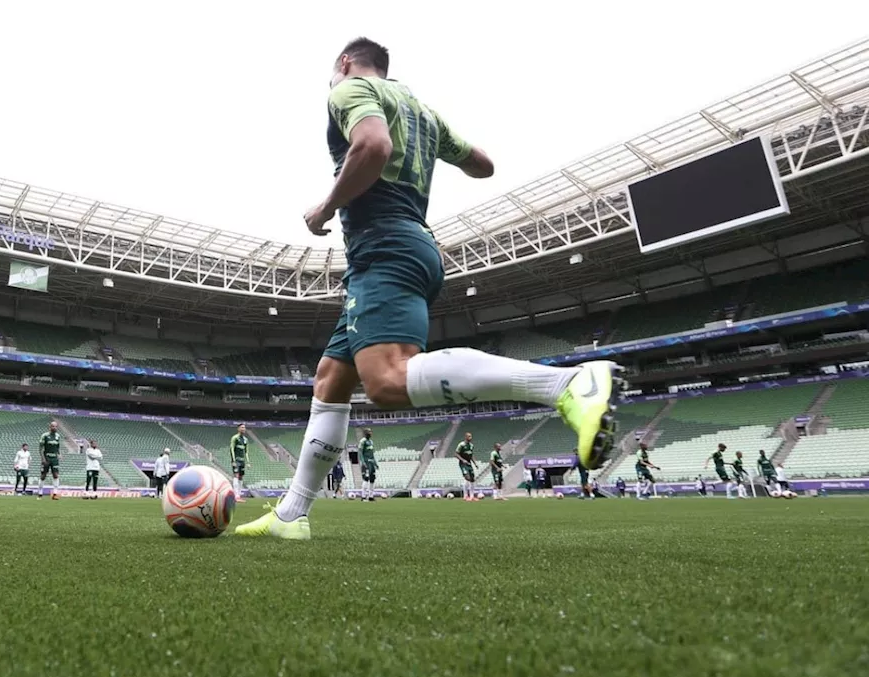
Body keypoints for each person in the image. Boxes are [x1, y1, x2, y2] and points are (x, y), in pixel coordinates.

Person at [237, 38, 622, 540]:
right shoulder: (421, 110)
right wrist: (439, 147)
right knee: (332, 379)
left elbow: (373, 146)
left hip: (385, 247)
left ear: (345, 63)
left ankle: (567, 385)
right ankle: (292, 514)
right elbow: (482, 163)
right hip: (403, 247)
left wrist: (325, 207)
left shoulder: (350, 88)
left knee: (387, 382)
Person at [39, 420, 62, 500]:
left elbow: (58, 447)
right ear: (50, 427)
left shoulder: (58, 436)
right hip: (47, 457)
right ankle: (40, 493)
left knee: (56, 475)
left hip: (54, 458)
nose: (54, 427)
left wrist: (59, 454)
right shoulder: (45, 435)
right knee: (43, 475)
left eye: (56, 426)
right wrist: (43, 458)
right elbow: (41, 448)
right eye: (53, 426)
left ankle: (55, 494)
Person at [229, 424, 251, 498]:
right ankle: (235, 494)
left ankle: (239, 493)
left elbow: (246, 452)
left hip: (242, 461)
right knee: (236, 475)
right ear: (238, 429)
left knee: (241, 477)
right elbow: (232, 449)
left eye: (244, 427)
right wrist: (233, 461)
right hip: (236, 460)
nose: (243, 429)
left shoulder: (245, 440)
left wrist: (248, 462)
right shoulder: (235, 438)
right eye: (242, 427)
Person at [357, 428, 378, 501]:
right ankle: (363, 496)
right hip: (366, 462)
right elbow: (360, 452)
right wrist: (363, 462)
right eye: (369, 432)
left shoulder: (371, 442)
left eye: (371, 431)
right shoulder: (363, 441)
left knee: (372, 479)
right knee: (366, 478)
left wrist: (375, 463)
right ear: (365, 433)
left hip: (372, 462)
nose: (370, 433)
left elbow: (372, 454)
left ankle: (371, 496)